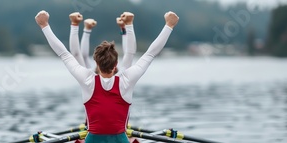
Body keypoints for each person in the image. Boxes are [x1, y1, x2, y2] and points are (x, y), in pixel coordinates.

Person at [35, 10, 179, 143]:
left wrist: (44, 25)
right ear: (116, 64)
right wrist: (169, 25)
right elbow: (150, 53)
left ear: (96, 63)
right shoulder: (126, 79)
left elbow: (64, 54)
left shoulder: (87, 79)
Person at [68, 12, 137, 73]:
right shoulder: (122, 78)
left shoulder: (89, 78)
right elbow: (129, 53)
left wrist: (75, 24)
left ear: (97, 63)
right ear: (115, 64)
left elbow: (78, 54)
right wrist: (127, 25)